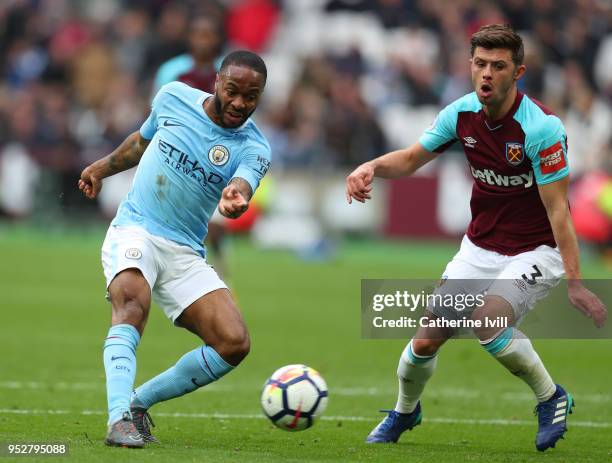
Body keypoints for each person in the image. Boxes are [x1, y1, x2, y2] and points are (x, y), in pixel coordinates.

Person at [345, 24, 607, 452]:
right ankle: (406, 412)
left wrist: (576, 283)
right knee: (425, 340)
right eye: (480, 64)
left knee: (488, 321)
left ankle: (551, 397)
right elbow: (411, 159)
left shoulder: (541, 129)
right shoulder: (461, 113)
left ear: (517, 72)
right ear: (470, 65)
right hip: (480, 246)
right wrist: (370, 166)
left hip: (535, 250)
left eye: (498, 66)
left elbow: (560, 210)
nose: (487, 74)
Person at [78, 50, 271, 448]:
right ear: (217, 82)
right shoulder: (173, 97)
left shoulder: (255, 147)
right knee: (132, 303)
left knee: (234, 343)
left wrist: (236, 198)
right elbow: (139, 143)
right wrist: (101, 167)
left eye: (250, 97)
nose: (239, 103)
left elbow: (243, 184)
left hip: (184, 251)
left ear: (260, 96)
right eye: (232, 91)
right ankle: (117, 420)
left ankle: (137, 404)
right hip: (137, 229)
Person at [152, 14, 232, 278]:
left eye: (208, 34)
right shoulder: (172, 71)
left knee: (215, 224)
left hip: (216, 158)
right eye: (197, 33)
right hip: (176, 157)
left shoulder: (228, 73)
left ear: (217, 39)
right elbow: (157, 112)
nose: (202, 40)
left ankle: (217, 266)